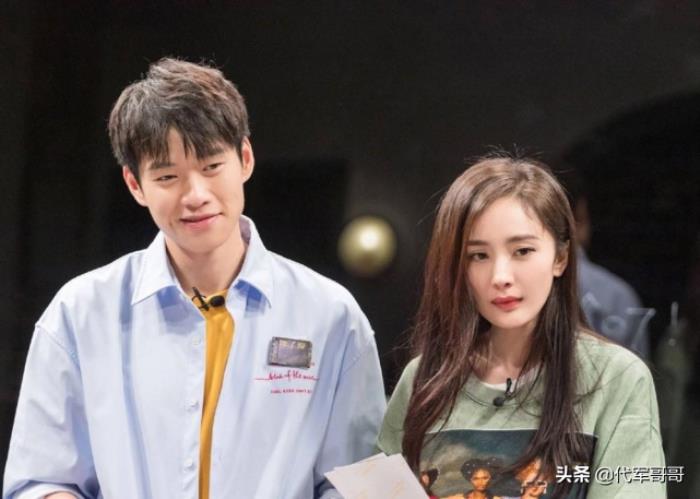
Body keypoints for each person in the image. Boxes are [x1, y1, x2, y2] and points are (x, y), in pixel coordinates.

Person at [3, 58, 386, 499]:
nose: (195, 195)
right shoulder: (80, 312)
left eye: (211, 166)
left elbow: (361, 486)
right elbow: (42, 480)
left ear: (245, 159)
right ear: (135, 184)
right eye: (167, 176)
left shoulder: (330, 315)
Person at [376, 155, 664, 498]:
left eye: (522, 251)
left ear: (560, 257)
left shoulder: (615, 378)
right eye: (478, 255)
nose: (500, 277)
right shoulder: (424, 380)